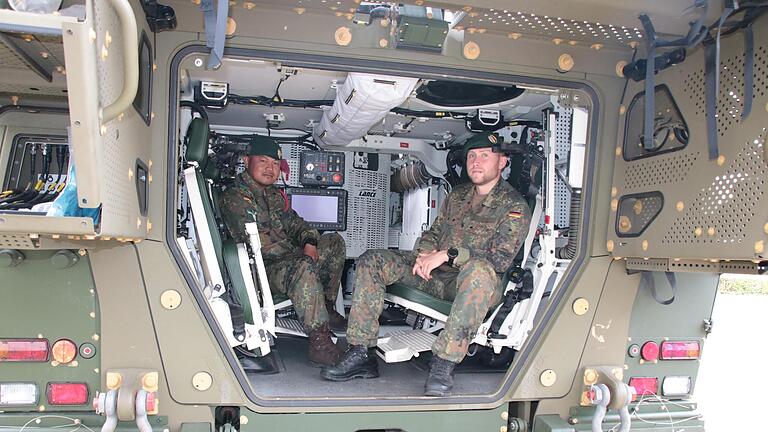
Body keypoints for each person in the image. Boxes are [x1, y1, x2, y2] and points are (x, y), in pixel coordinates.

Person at [321, 132, 531, 396]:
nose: (476, 162)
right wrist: (425, 255)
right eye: (471, 156)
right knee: (371, 259)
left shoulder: (514, 206)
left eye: (485, 156)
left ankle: (443, 364)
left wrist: (447, 255)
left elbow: (499, 259)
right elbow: (434, 231)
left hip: (470, 284)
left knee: (479, 272)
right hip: (433, 274)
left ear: (502, 162)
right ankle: (361, 353)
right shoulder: (458, 195)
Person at [219, 136, 347, 366]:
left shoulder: (272, 196)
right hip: (262, 271)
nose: (270, 168)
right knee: (302, 264)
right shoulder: (236, 197)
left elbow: (298, 224)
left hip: (288, 263)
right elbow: (259, 246)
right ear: (247, 161)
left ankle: (326, 308)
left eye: (276, 164)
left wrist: (309, 242)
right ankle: (320, 343)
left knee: (334, 242)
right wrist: (302, 257)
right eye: (263, 161)